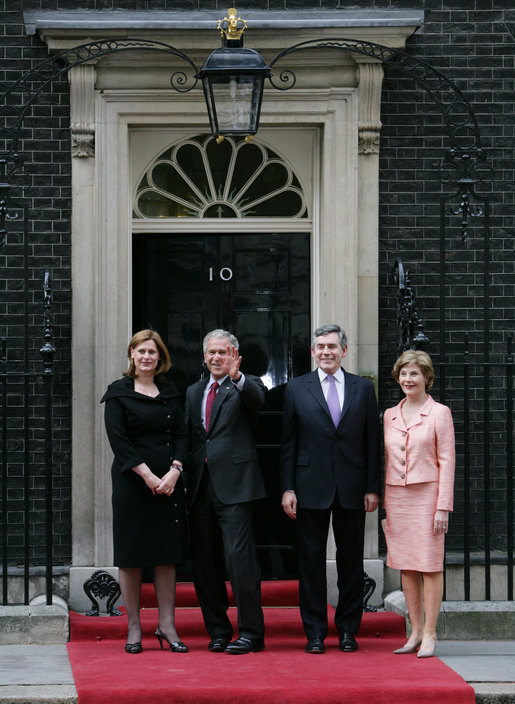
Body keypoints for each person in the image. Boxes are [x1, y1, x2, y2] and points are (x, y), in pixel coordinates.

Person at [280, 324, 380, 654]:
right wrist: (288, 488)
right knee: (310, 563)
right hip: (309, 487)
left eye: (332, 346)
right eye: (320, 346)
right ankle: (315, 633)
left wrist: (371, 487)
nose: (326, 351)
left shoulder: (363, 389)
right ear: (312, 352)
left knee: (351, 562)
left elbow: (372, 443)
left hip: (352, 487)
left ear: (344, 351)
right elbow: (288, 444)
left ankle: (349, 629)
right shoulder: (296, 389)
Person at [101, 329, 189, 654]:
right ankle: (134, 627)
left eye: (152, 352)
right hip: (132, 484)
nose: (147, 357)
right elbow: (119, 442)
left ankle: (167, 626)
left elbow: (182, 434)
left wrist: (174, 472)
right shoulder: (118, 393)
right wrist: (150, 477)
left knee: (166, 557)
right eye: (141, 352)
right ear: (132, 355)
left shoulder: (170, 392)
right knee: (132, 556)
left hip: (169, 484)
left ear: (160, 356)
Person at [185, 329, 266, 655]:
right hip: (200, 487)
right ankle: (218, 631)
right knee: (205, 566)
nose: (216, 358)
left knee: (239, 562)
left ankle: (251, 633)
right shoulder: (192, 392)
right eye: (211, 353)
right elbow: (191, 438)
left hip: (236, 487)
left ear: (233, 354)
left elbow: (259, 401)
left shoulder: (246, 385)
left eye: (223, 352)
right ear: (204, 357)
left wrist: (239, 377)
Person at [383, 350, 455, 658]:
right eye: (403, 374)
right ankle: (413, 630)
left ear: (427, 377)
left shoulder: (439, 412)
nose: (408, 379)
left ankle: (429, 632)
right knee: (406, 565)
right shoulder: (389, 415)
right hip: (397, 496)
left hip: (428, 496)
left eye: (414, 374)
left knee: (429, 563)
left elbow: (447, 460)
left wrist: (443, 506)